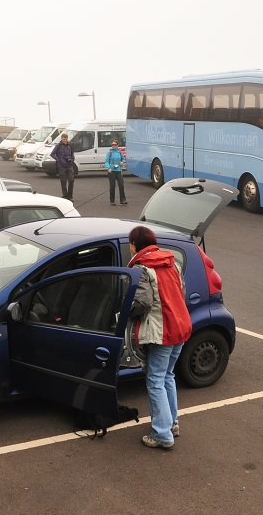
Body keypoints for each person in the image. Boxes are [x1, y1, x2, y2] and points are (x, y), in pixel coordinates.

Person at [127, 225, 191, 450]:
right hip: (181, 326)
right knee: (167, 376)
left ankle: (162, 434)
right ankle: (171, 423)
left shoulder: (144, 268)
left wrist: (125, 311)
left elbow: (141, 303)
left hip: (162, 331)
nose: (129, 247)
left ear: (135, 244)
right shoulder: (172, 262)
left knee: (155, 380)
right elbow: (180, 292)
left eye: (130, 243)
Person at [50, 133, 76, 200]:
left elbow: (72, 154)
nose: (65, 140)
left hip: (69, 165)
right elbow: (52, 154)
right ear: (61, 138)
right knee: (63, 181)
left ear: (67, 139)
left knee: (71, 180)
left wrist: (72, 159)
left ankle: (70, 196)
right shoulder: (58, 146)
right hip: (61, 166)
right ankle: (65, 195)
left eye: (66, 139)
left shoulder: (70, 145)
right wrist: (59, 160)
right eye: (64, 139)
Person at [105, 139, 127, 206]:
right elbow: (106, 161)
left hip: (118, 171)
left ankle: (122, 200)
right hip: (111, 171)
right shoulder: (110, 152)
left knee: (121, 185)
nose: (113, 146)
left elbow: (123, 159)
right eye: (112, 145)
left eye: (115, 145)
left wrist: (122, 162)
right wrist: (108, 168)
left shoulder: (119, 152)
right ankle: (112, 201)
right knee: (112, 186)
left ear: (117, 145)